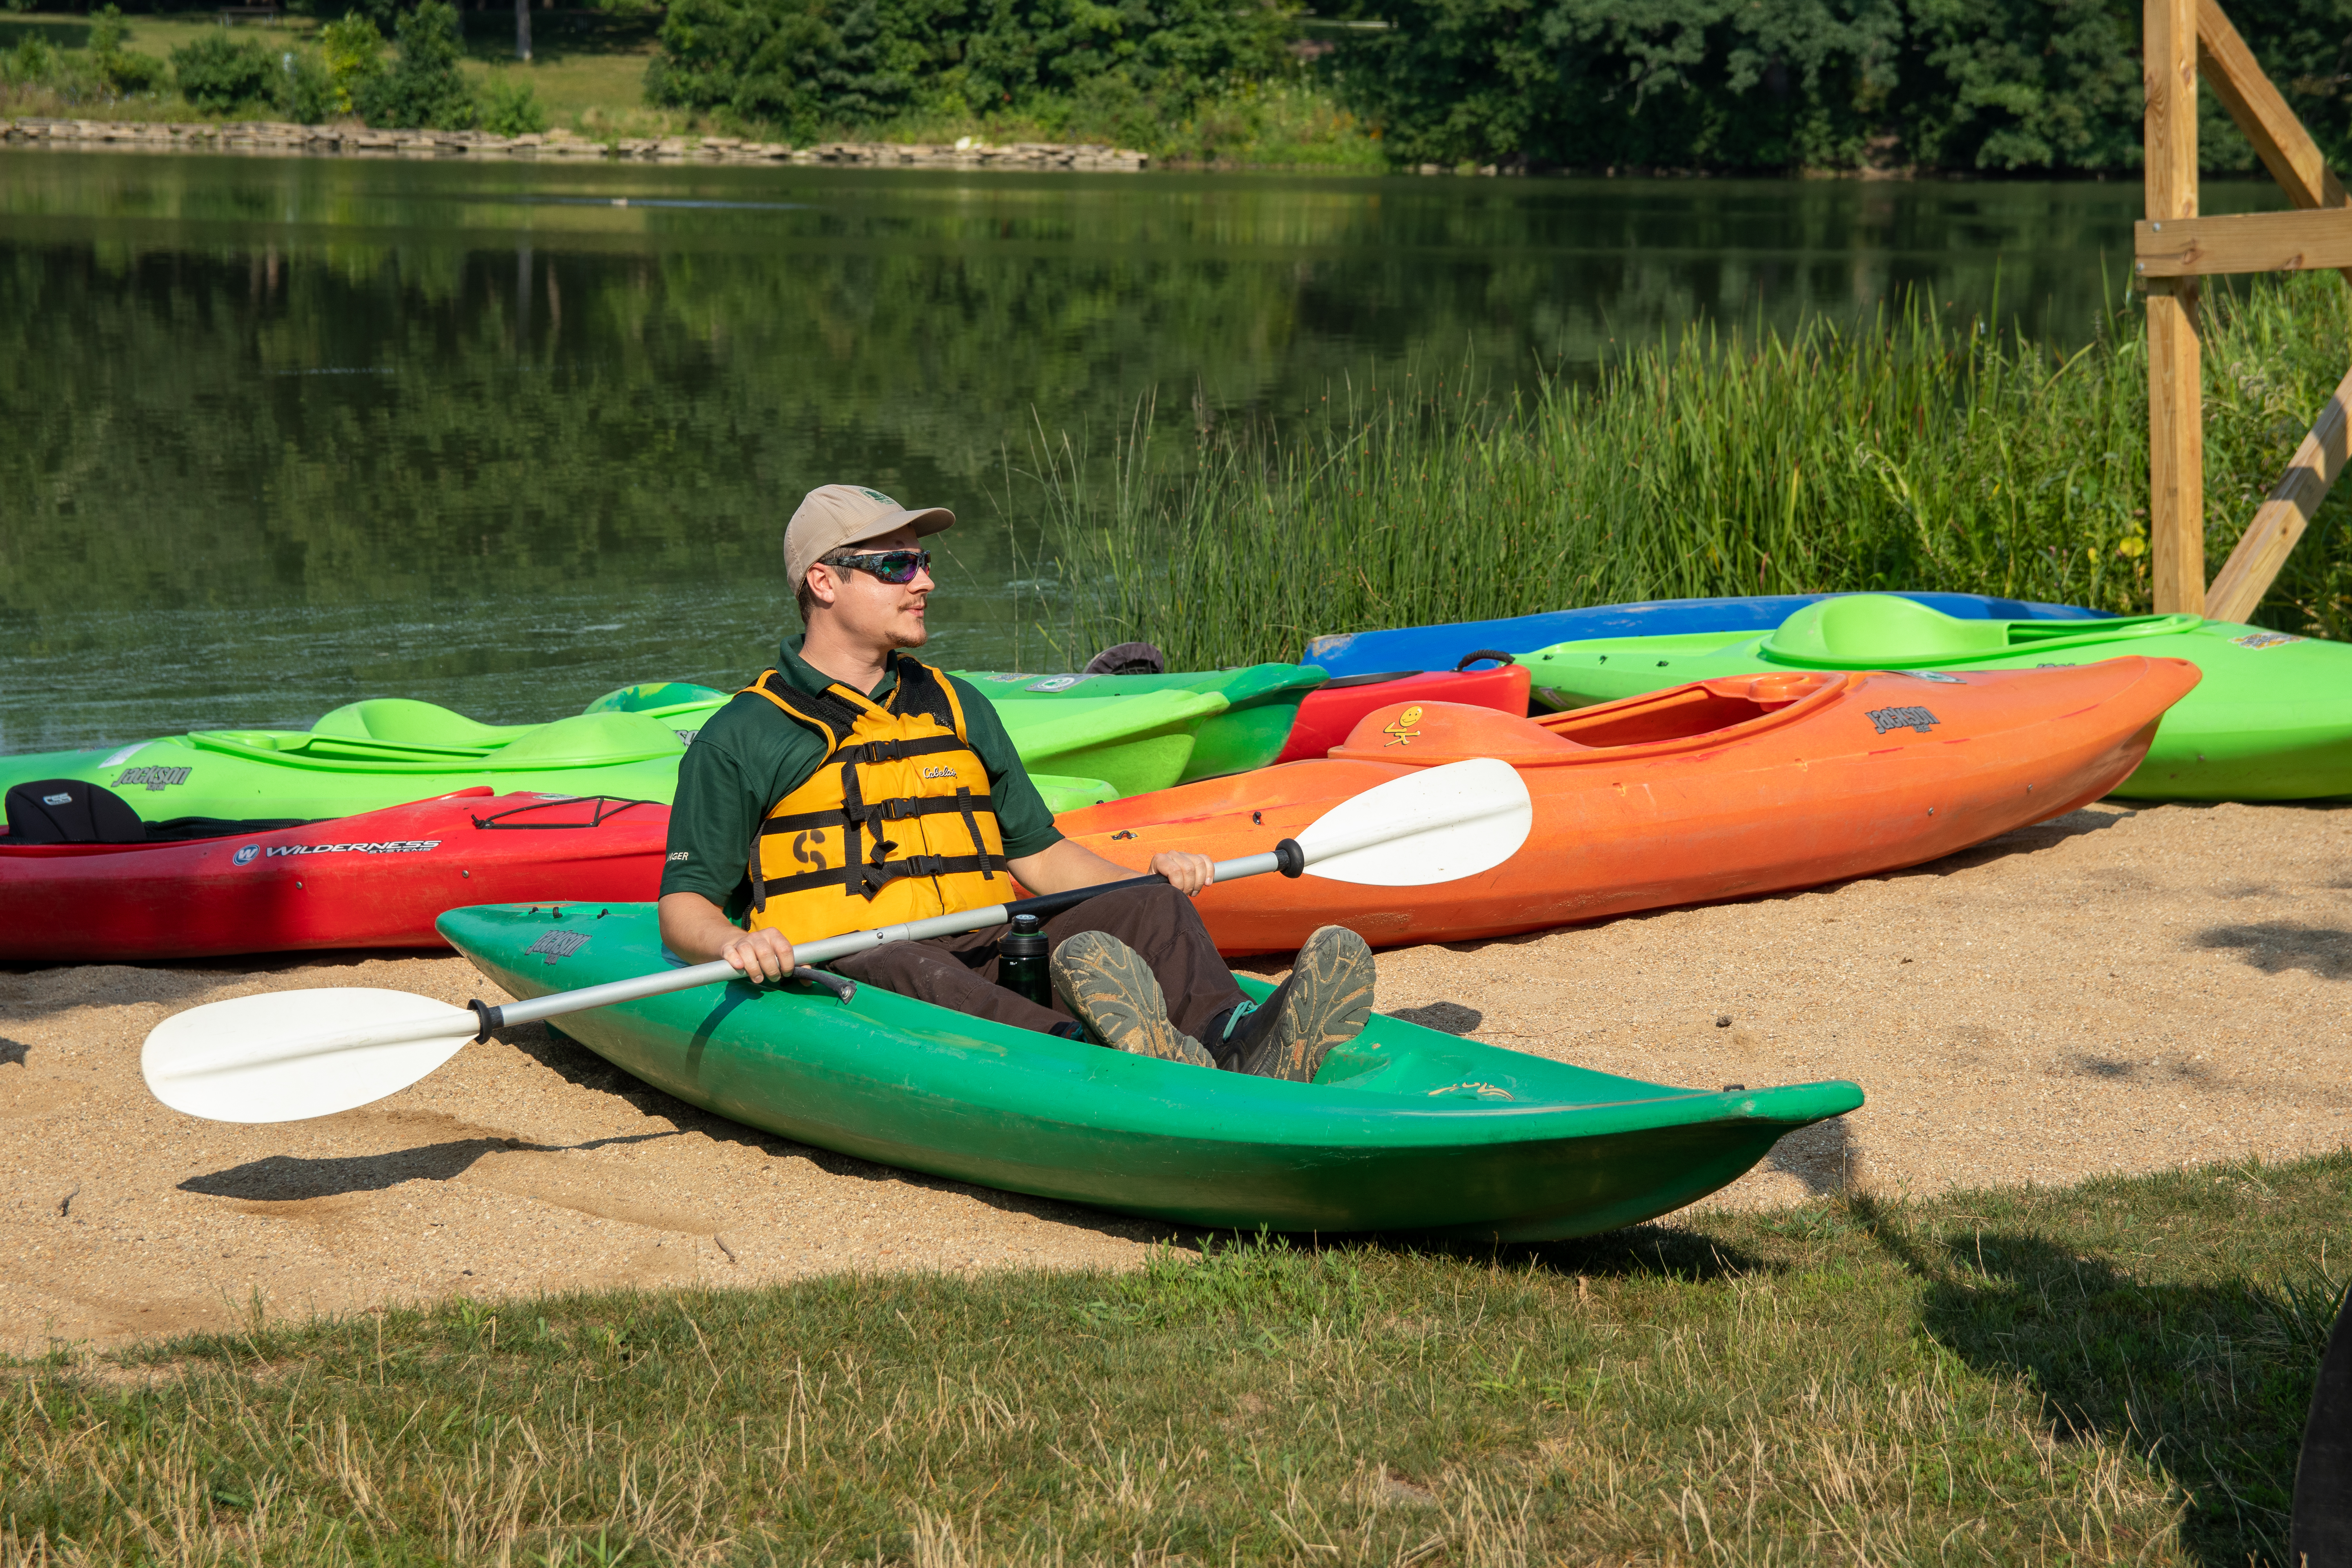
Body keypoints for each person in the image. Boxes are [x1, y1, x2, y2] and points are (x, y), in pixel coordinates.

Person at [657, 483, 1376, 1080]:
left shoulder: (956, 703)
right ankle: (1103, 1054)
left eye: (923, 561)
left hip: (984, 938)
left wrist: (1143, 882)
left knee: (1149, 908)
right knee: (909, 965)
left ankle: (1239, 1040)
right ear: (824, 580)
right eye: (897, 567)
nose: (927, 581)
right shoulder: (744, 735)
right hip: (858, 972)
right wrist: (733, 945)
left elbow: (1040, 854)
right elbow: (685, 908)